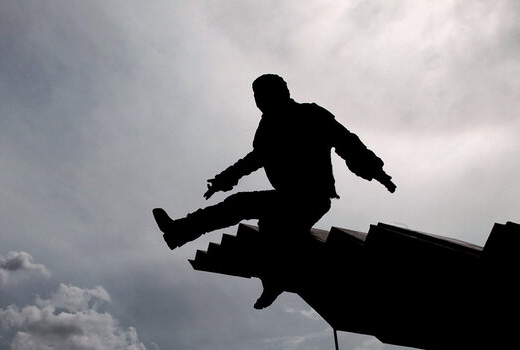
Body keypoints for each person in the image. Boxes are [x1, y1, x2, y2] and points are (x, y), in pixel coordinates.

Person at [153, 73, 395, 252]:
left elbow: (346, 141)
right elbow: (254, 159)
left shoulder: (310, 115)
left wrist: (376, 171)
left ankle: (180, 232)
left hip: (310, 199)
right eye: (257, 97)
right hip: (289, 197)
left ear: (281, 93)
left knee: (253, 213)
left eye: (263, 95)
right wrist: (224, 179)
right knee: (261, 222)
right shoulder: (267, 129)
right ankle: (179, 232)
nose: (259, 101)